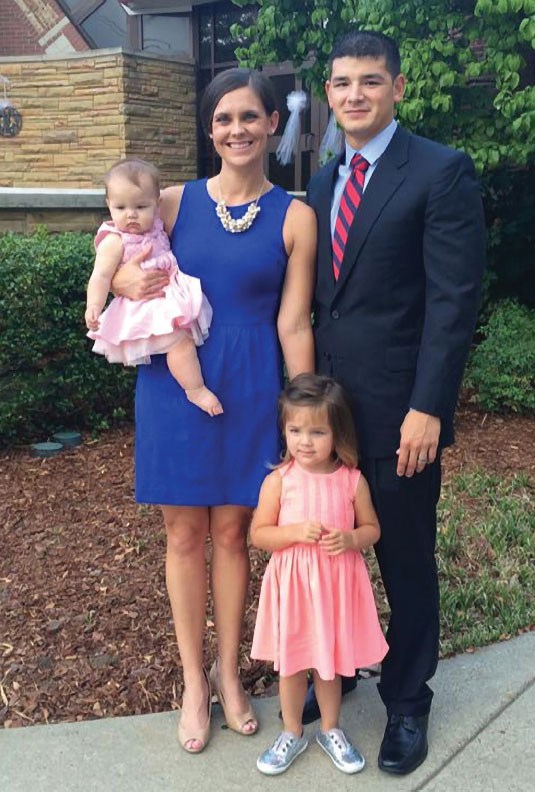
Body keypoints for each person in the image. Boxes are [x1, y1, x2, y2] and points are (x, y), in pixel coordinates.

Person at [111, 68, 316, 753]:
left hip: (253, 385)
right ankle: (193, 682)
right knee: (182, 537)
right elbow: (115, 235)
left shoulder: (295, 215)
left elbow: (293, 324)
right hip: (177, 383)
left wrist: (309, 417)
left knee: (232, 535)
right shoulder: (171, 201)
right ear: (209, 130)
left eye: (250, 117)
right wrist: (116, 277)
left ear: (270, 126)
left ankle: (230, 675)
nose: (238, 129)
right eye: (224, 118)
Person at [306, 31, 486, 775]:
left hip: (399, 413)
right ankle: (338, 670)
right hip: (328, 417)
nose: (355, 94)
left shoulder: (439, 172)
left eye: (370, 81)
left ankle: (407, 702)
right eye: (342, 82)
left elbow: (453, 301)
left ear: (397, 89)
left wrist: (428, 408)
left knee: (403, 559)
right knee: (328, 554)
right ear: (328, 94)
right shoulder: (322, 181)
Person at [250, 374, 388, 776]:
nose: (304, 441)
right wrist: (292, 533)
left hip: (334, 586)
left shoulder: (351, 480)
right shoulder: (279, 481)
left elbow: (372, 529)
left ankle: (330, 729)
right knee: (293, 665)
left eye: (317, 431)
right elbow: (258, 533)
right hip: (294, 590)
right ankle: (292, 731)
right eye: (294, 430)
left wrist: (349, 539)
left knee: (329, 664)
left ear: (337, 432)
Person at [85, 158, 222, 416]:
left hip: (168, 297)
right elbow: (101, 276)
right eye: (121, 207)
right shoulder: (115, 240)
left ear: (157, 204)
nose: (131, 214)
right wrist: (94, 305)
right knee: (180, 345)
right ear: (108, 206)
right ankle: (195, 389)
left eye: (140, 206)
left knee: (185, 341)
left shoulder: (158, 226)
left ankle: (194, 387)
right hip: (149, 306)